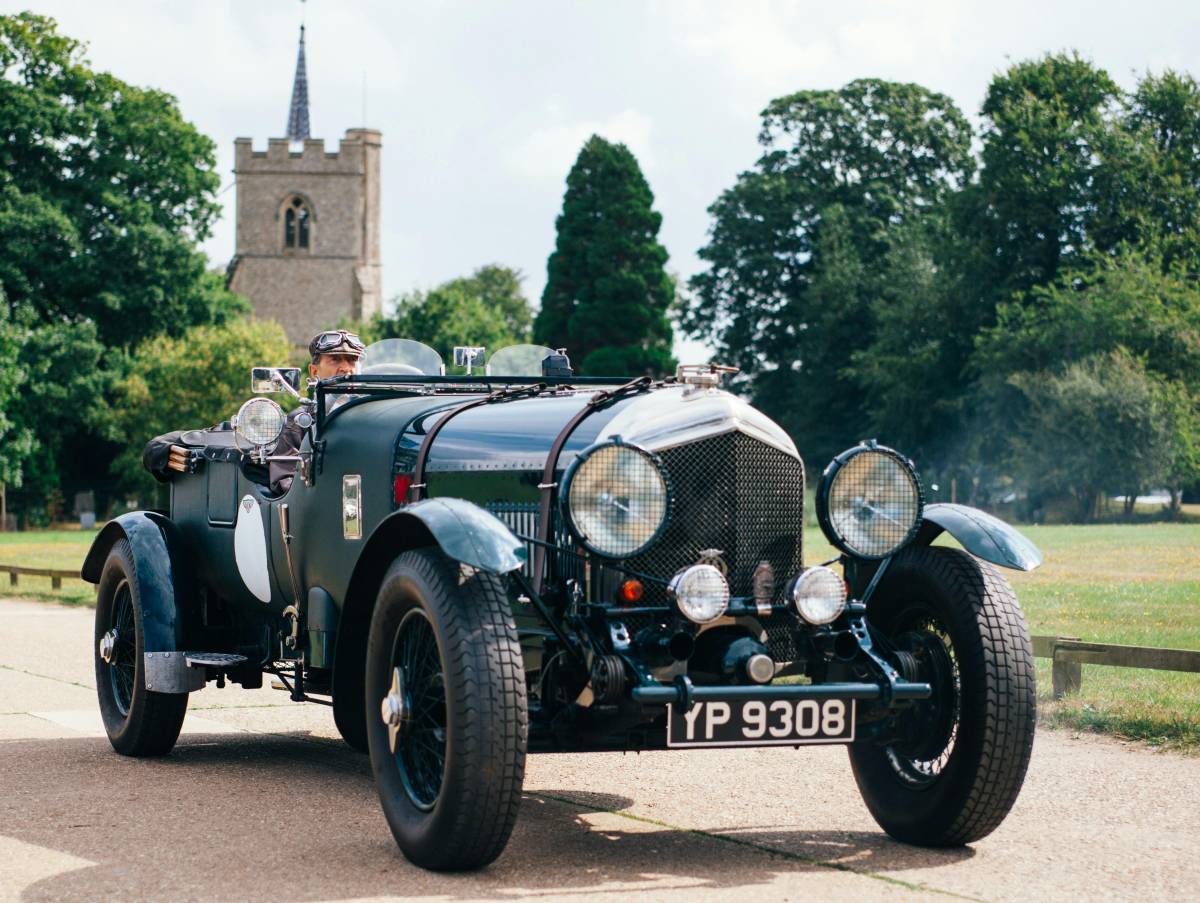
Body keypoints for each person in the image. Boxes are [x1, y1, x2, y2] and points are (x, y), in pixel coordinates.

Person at [268, 330, 366, 493]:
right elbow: (283, 481)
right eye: (335, 360)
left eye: (352, 360)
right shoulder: (301, 420)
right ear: (314, 372)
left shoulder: (372, 415)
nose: (346, 368)